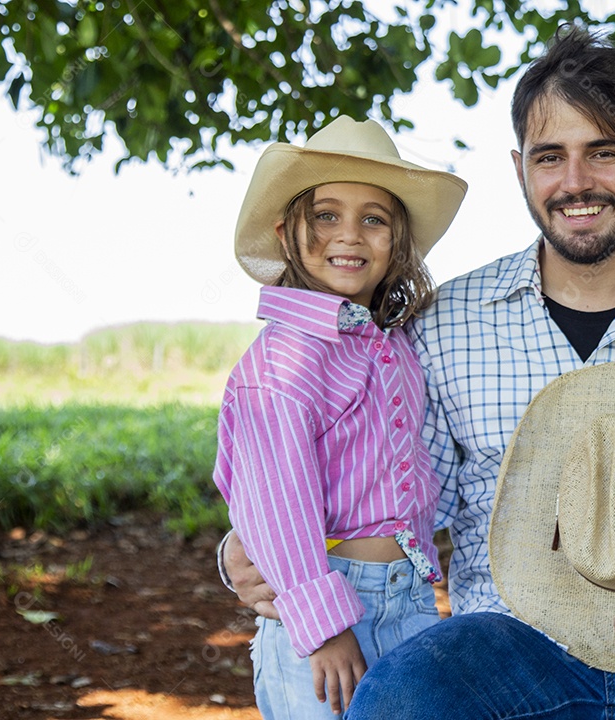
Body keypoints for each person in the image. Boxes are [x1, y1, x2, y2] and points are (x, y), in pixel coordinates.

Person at [225, 25, 615, 718]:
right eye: (550, 156)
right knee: (403, 700)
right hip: (505, 653)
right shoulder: (444, 328)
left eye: (604, 153)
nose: (575, 182)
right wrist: (250, 544)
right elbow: (377, 481)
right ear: (521, 167)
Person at [212, 115, 466, 718]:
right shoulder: (282, 361)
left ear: (396, 242)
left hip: (409, 601)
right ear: (285, 231)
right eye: (326, 215)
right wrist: (323, 626)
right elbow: (276, 502)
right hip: (327, 597)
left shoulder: (389, 345)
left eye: (373, 219)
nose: (348, 235)